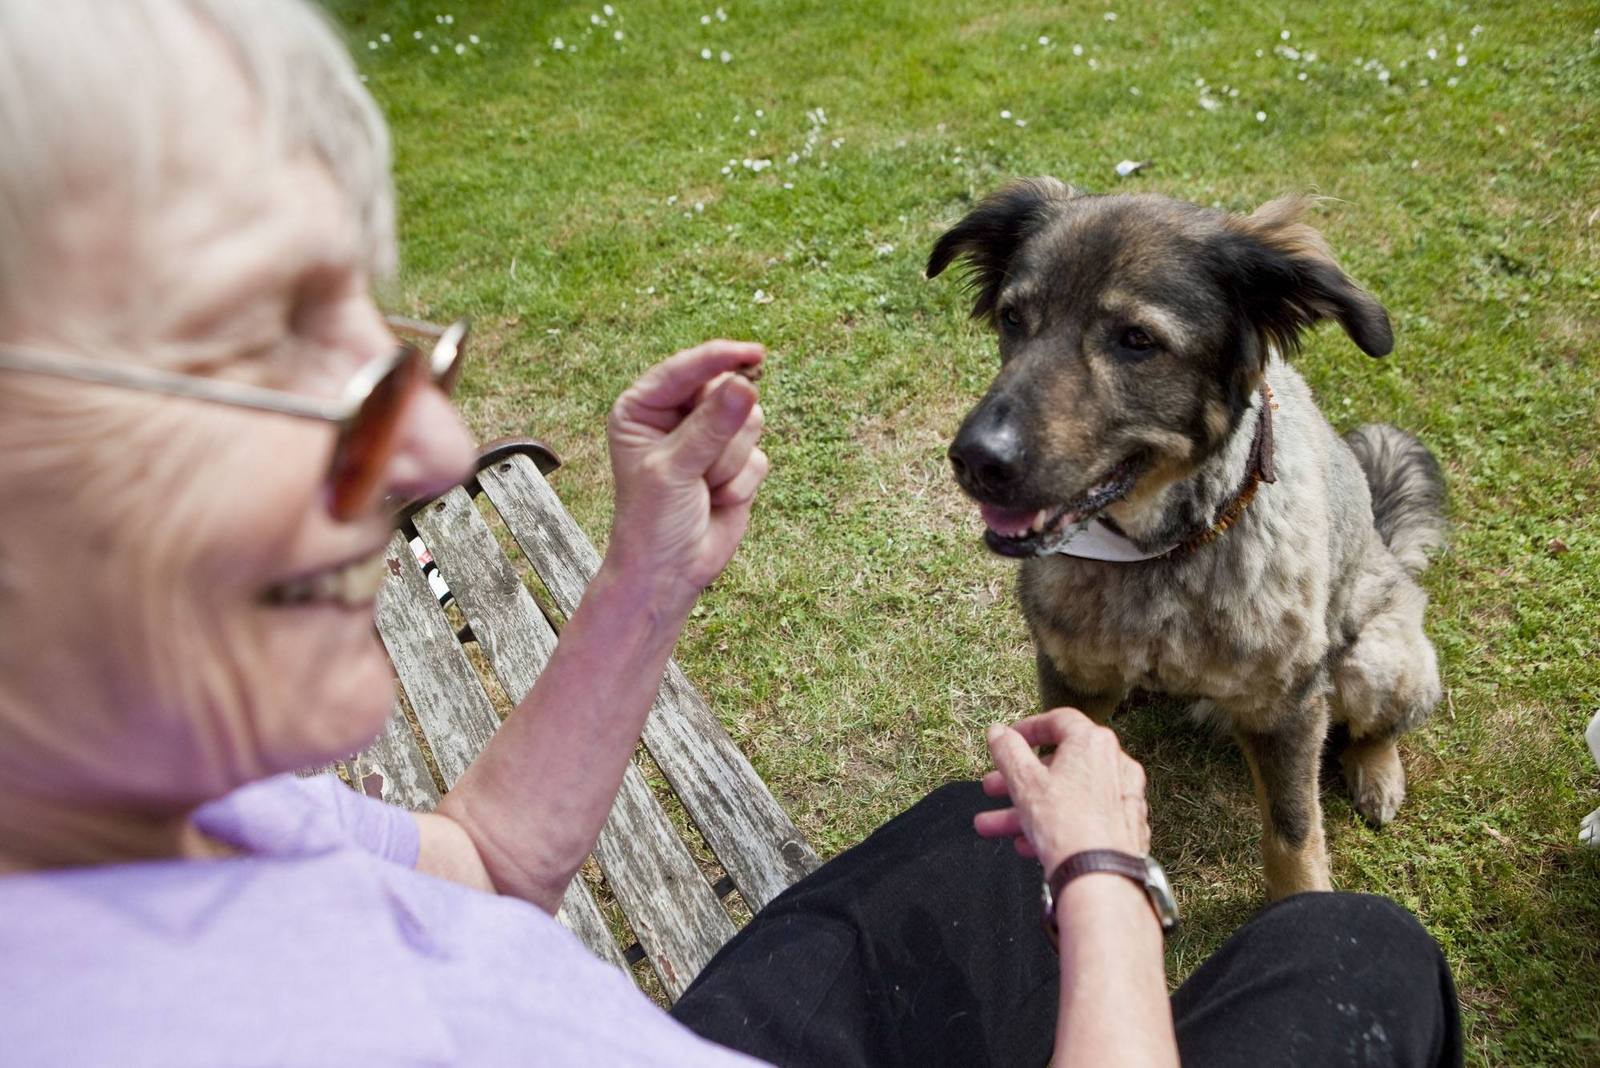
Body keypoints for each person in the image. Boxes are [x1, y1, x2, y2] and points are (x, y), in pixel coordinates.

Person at [0, 2, 1462, 1065]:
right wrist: (1102, 890)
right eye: (254, 343)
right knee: (1354, 951)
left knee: (973, 850)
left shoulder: (189, 817)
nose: (446, 445)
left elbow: (479, 858)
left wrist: (646, 575)